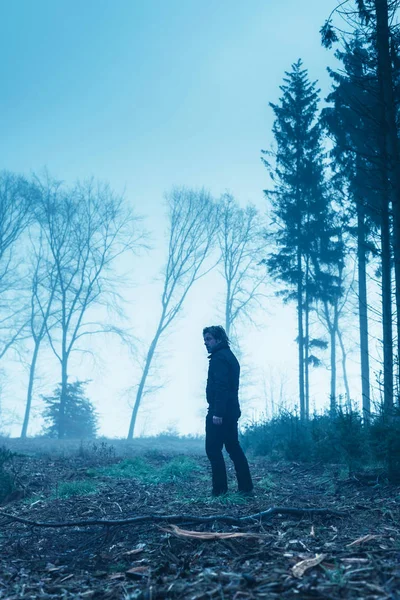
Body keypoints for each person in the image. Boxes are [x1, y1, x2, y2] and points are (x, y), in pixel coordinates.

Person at [203, 325, 253, 497]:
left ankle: (219, 490)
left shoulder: (219, 358)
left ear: (219, 339)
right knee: (233, 447)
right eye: (205, 340)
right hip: (230, 410)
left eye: (209, 339)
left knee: (213, 449)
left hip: (221, 412)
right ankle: (246, 488)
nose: (206, 343)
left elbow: (222, 387)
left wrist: (217, 412)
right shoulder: (229, 357)